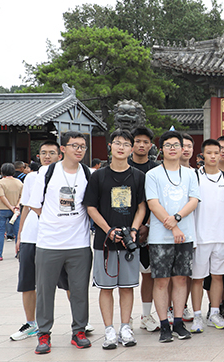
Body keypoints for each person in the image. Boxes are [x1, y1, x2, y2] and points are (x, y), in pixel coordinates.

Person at [25, 131, 93, 354]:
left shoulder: (88, 173)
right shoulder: (47, 172)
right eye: (74, 146)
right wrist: (52, 220)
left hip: (79, 243)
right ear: (63, 148)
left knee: (79, 290)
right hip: (49, 243)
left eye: (82, 146)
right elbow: (35, 205)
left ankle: (79, 331)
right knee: (45, 291)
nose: (79, 150)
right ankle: (44, 334)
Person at [84, 129, 147, 349]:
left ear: (131, 149)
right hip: (104, 241)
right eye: (117, 143)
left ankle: (125, 328)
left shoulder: (138, 176)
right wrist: (108, 230)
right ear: (110, 146)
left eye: (126, 144)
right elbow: (91, 207)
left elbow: (141, 207)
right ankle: (109, 330)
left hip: (129, 241)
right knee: (106, 287)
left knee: (128, 286)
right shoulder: (98, 176)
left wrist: (134, 230)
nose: (121, 147)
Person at [146, 131, 200, 343]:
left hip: (185, 235)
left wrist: (176, 219)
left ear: (182, 148)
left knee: (181, 279)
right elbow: (153, 203)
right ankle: (163, 325)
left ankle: (178, 322)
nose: (173, 149)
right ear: (161, 150)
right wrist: (173, 227)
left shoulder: (190, 174)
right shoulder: (153, 175)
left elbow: (194, 200)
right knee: (161, 281)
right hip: (160, 237)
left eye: (176, 145)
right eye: (168, 145)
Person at [10, 141, 61, 342]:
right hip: (32, 235)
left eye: (52, 153)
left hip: (58, 237)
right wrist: (20, 235)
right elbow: (26, 206)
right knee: (28, 281)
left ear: (60, 155)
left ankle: (80, 321)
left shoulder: (68, 176)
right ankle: (31, 323)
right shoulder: (32, 177)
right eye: (43, 153)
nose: (47, 156)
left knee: (67, 281)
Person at [189, 139, 224, 333]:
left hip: (221, 237)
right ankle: (197, 315)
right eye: (209, 152)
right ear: (202, 155)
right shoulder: (195, 177)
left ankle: (214, 312)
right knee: (197, 278)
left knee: (218, 276)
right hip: (200, 238)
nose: (213, 156)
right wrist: (192, 237)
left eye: (216, 152)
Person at [128, 127, 160, 332]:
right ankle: (126, 319)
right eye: (137, 141)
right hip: (125, 229)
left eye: (145, 142)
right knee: (126, 279)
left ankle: (146, 316)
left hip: (151, 229)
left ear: (151, 145)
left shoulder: (156, 169)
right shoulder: (122, 166)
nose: (141, 145)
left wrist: (147, 225)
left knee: (148, 275)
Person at [0, 162, 23, 260]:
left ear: (2, 172)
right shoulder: (19, 182)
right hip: (16, 211)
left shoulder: (0, 182)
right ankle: (19, 253)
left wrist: (10, 206)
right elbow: (22, 196)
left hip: (2, 209)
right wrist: (16, 206)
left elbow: (2, 196)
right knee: (18, 232)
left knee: (0, 232)